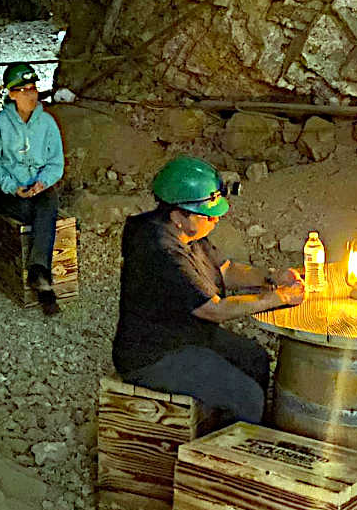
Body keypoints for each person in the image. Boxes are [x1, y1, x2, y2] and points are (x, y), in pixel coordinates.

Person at [112, 155, 305, 424]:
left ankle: (237, 427)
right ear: (178, 215)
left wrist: (271, 277)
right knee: (246, 396)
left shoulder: (187, 232)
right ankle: (229, 455)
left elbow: (224, 269)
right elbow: (213, 310)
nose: (215, 221)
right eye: (208, 215)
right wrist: (278, 297)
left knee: (255, 358)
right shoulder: (159, 249)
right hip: (155, 354)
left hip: (188, 335)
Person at [0, 62, 64, 315]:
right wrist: (12, 186)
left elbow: (56, 163)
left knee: (48, 202)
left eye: (33, 88)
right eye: (24, 90)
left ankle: (39, 271)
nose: (31, 95)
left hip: (39, 191)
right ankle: (40, 277)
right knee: (35, 212)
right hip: (11, 193)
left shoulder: (47, 123)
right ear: (11, 94)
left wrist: (42, 182)